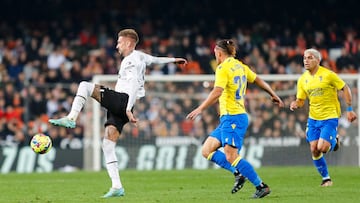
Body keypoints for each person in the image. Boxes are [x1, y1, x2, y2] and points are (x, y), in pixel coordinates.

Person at [49, 28, 187, 198]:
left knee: (85, 85)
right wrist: (174, 60)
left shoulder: (132, 60)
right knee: (107, 144)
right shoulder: (140, 56)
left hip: (123, 101)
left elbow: (136, 83)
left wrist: (128, 108)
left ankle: (71, 118)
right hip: (124, 106)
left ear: (129, 43)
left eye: (119, 42)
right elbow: (155, 59)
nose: (116, 46)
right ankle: (117, 187)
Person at [186, 39, 284, 198]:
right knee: (206, 150)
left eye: (215, 54)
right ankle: (238, 173)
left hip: (233, 117)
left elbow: (217, 91)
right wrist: (273, 94)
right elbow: (258, 80)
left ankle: (261, 186)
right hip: (230, 117)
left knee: (231, 156)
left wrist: (200, 108)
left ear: (218, 53)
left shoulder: (222, 68)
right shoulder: (240, 66)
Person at [290, 48, 357, 187]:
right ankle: (326, 178)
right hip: (313, 118)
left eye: (309, 58)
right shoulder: (302, 80)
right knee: (314, 149)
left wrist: (350, 110)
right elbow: (301, 99)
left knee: (323, 148)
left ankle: (335, 140)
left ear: (317, 60)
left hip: (330, 116)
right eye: (304, 58)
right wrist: (296, 103)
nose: (306, 61)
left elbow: (345, 88)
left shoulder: (328, 75)